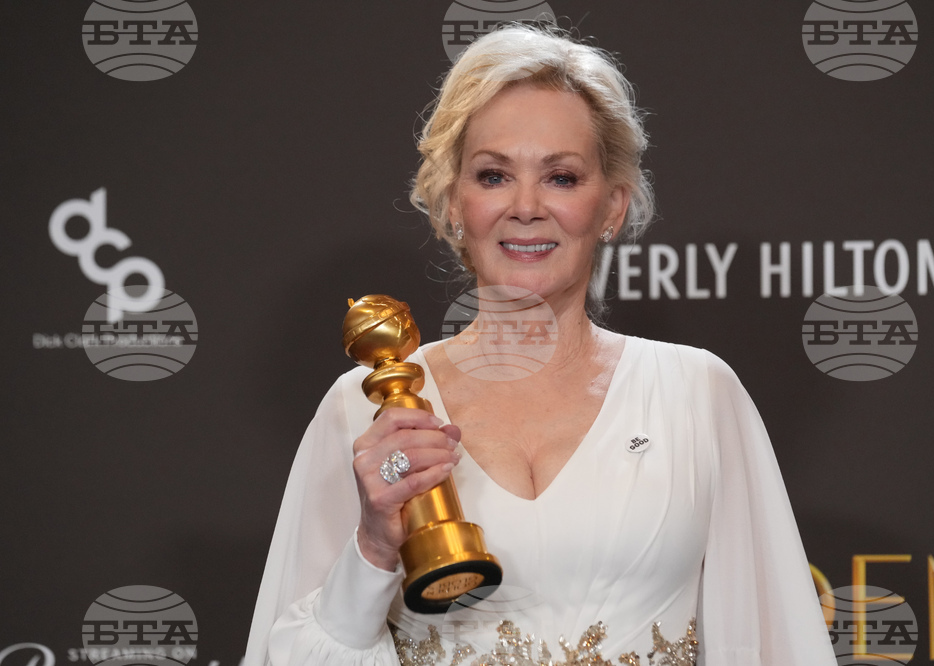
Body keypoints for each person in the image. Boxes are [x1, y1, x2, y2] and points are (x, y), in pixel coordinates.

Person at [245, 24, 837, 666]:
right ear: (452, 204)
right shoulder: (365, 411)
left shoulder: (698, 392)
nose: (526, 207)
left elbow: (773, 646)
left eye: (560, 177)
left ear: (612, 205)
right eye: (494, 175)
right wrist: (372, 548)